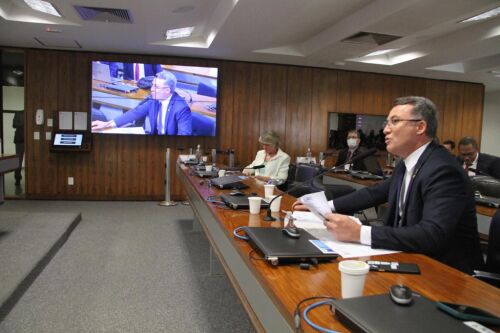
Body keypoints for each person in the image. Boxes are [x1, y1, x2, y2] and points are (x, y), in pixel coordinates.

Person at [293, 96, 483, 274]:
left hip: (447, 275)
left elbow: (431, 234)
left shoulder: (443, 170)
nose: (385, 129)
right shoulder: (408, 162)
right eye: (387, 122)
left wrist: (359, 233)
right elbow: (374, 193)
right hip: (410, 259)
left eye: (395, 121)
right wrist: (325, 208)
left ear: (420, 127)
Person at [91, 70, 192, 135]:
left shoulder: (181, 108)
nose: (151, 89)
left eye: (156, 87)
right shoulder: (153, 99)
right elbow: (134, 113)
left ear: (167, 90)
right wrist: (106, 124)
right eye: (152, 85)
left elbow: (184, 136)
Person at [12, 111, 24, 186]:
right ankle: (17, 179)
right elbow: (14, 125)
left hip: (30, 139)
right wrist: (24, 123)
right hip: (19, 140)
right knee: (18, 161)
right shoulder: (18, 113)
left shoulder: (31, 112)